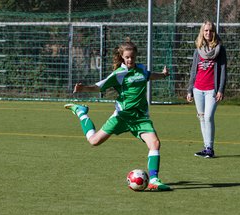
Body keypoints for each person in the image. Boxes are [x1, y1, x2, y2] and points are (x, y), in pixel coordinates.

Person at [64, 39, 171, 191]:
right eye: (127, 57)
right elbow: (99, 87)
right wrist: (84, 89)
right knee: (94, 141)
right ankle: (81, 112)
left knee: (155, 143)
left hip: (140, 117)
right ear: (122, 57)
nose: (130, 60)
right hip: (122, 116)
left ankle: (154, 180)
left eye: (132, 57)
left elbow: (150, 76)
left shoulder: (141, 70)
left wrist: (163, 74)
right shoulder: (119, 74)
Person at [186, 20, 227, 158]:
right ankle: (206, 148)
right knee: (202, 118)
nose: (208, 33)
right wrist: (190, 89)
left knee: (209, 117)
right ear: (202, 32)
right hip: (198, 89)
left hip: (212, 90)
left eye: (210, 30)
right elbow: (193, 71)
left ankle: (210, 148)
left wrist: (221, 89)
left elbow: (223, 70)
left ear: (214, 32)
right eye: (206, 30)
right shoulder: (198, 50)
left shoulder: (220, 49)